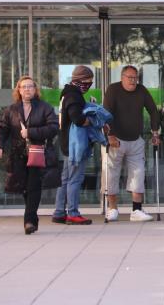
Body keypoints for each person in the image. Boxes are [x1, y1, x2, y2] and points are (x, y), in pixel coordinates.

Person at [0, 76, 58, 235]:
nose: (27, 89)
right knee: (23, 187)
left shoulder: (45, 107)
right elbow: (1, 129)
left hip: (37, 152)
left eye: (30, 86)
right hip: (18, 154)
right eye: (24, 87)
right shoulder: (11, 110)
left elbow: (53, 127)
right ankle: (32, 218)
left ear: (35, 90)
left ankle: (28, 221)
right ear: (19, 91)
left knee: (33, 186)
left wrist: (31, 132)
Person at [103, 65, 160, 222]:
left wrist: (155, 132)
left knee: (138, 174)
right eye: (130, 77)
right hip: (116, 140)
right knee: (112, 174)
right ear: (122, 77)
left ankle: (136, 210)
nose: (133, 81)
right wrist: (110, 135)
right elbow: (105, 114)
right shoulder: (113, 90)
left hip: (135, 139)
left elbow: (153, 110)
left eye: (135, 78)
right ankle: (112, 208)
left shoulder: (141, 91)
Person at [52, 65, 96, 225]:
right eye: (87, 81)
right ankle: (72, 212)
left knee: (65, 179)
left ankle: (58, 212)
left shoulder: (66, 94)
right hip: (75, 146)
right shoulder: (74, 96)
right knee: (74, 179)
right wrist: (92, 120)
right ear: (79, 80)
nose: (88, 85)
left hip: (66, 143)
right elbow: (77, 119)